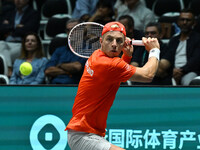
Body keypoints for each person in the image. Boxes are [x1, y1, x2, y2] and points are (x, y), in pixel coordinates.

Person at [65, 21, 160, 150]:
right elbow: (148, 75)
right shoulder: (106, 64)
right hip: (83, 135)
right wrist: (154, 50)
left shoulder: (97, 55)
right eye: (109, 39)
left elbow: (116, 77)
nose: (114, 44)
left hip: (88, 133)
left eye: (119, 41)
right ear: (101, 41)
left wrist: (126, 56)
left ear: (123, 43)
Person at [159, 8, 200, 86]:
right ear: (178, 22)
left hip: (190, 71)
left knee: (189, 82)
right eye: (182, 20)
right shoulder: (173, 40)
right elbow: (168, 57)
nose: (184, 22)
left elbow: (196, 60)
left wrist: (181, 71)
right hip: (173, 72)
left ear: (194, 23)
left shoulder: (198, 39)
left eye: (188, 20)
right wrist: (171, 71)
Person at [0, 0, 40, 77]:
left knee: (2, 56)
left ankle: (7, 70)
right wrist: (15, 27)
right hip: (7, 43)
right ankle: (9, 69)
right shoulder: (9, 13)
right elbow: (1, 29)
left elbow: (29, 30)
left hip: (22, 43)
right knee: (0, 43)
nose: (18, 0)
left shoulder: (33, 13)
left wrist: (9, 28)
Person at [44, 19, 87, 84]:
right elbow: (48, 71)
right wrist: (69, 71)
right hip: (54, 87)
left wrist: (59, 65)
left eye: (73, 29)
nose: (70, 32)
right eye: (68, 30)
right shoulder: (59, 50)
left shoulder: (88, 50)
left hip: (75, 87)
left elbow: (77, 67)